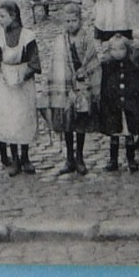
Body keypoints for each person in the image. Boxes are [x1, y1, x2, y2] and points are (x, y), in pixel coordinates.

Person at [0, 1, 41, 175]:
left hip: (23, 80)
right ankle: (15, 159)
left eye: (3, 16)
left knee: (23, 117)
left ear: (14, 16)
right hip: (5, 81)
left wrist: (24, 75)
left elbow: (34, 61)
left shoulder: (28, 36)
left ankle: (26, 157)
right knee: (9, 119)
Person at [55, 12, 101, 175]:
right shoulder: (61, 41)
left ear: (80, 21)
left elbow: (92, 60)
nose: (70, 24)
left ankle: (80, 157)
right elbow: (56, 62)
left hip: (82, 84)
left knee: (80, 121)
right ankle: (69, 158)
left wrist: (84, 73)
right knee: (68, 121)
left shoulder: (86, 39)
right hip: (67, 86)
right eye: (67, 21)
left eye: (74, 20)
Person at [97, 33, 139, 171]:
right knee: (114, 134)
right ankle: (113, 160)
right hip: (113, 107)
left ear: (127, 50)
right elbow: (104, 87)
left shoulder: (132, 67)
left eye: (121, 49)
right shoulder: (107, 67)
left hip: (129, 106)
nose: (117, 53)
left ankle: (131, 159)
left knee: (129, 133)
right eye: (114, 50)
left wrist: (135, 102)